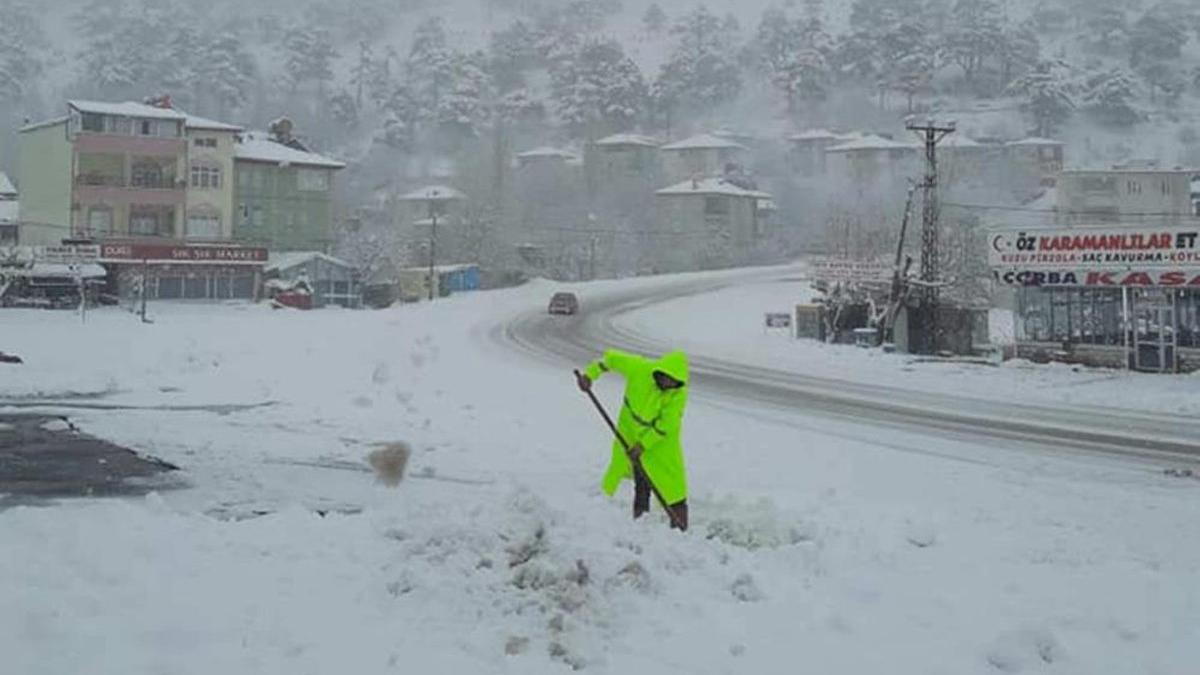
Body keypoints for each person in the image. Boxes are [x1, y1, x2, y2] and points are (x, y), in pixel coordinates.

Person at [577, 349, 690, 531]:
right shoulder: (640, 368)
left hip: (661, 441)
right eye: (668, 380)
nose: (669, 385)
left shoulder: (678, 394)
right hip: (630, 434)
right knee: (642, 481)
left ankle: (681, 528)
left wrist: (644, 444)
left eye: (674, 383)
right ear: (661, 372)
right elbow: (610, 360)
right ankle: (640, 523)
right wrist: (590, 375)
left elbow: (667, 424)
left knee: (673, 485)